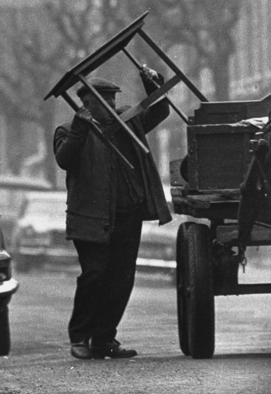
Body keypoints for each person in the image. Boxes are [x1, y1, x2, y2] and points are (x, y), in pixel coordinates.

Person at [53, 69, 171, 360]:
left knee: (121, 279)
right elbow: (64, 160)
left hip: (127, 215)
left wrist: (151, 82)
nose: (110, 107)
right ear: (86, 105)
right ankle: (80, 336)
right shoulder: (69, 131)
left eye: (112, 100)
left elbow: (160, 110)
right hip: (90, 219)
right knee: (95, 275)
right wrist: (81, 130)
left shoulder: (127, 125)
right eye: (102, 102)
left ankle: (104, 338)